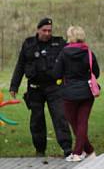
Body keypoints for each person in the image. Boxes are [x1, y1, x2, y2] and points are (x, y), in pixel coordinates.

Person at [9, 17, 72, 158]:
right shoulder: (28, 44)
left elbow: (70, 60)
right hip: (35, 88)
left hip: (54, 88)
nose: (47, 33)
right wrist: (14, 85)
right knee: (37, 120)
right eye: (44, 30)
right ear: (38, 30)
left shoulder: (59, 43)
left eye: (50, 30)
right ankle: (40, 150)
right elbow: (20, 65)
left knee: (60, 116)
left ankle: (67, 147)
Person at [52, 25, 100, 162]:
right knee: (82, 122)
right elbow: (96, 72)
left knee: (74, 123)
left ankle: (77, 152)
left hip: (69, 94)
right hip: (87, 93)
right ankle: (89, 151)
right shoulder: (89, 53)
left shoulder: (63, 53)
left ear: (70, 37)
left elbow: (56, 73)